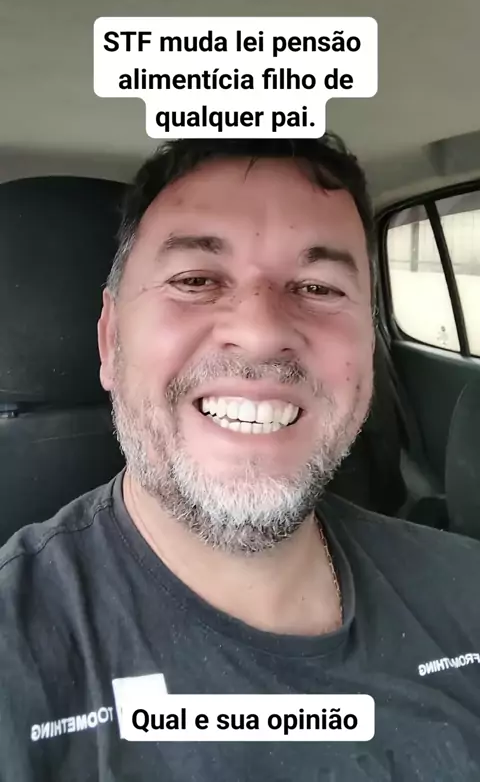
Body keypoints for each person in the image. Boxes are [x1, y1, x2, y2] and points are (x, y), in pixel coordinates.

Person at [0, 136, 479, 782]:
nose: (260, 333)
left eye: (318, 286)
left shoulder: (467, 593)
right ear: (111, 340)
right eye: (195, 280)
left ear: (368, 349)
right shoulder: (16, 657)